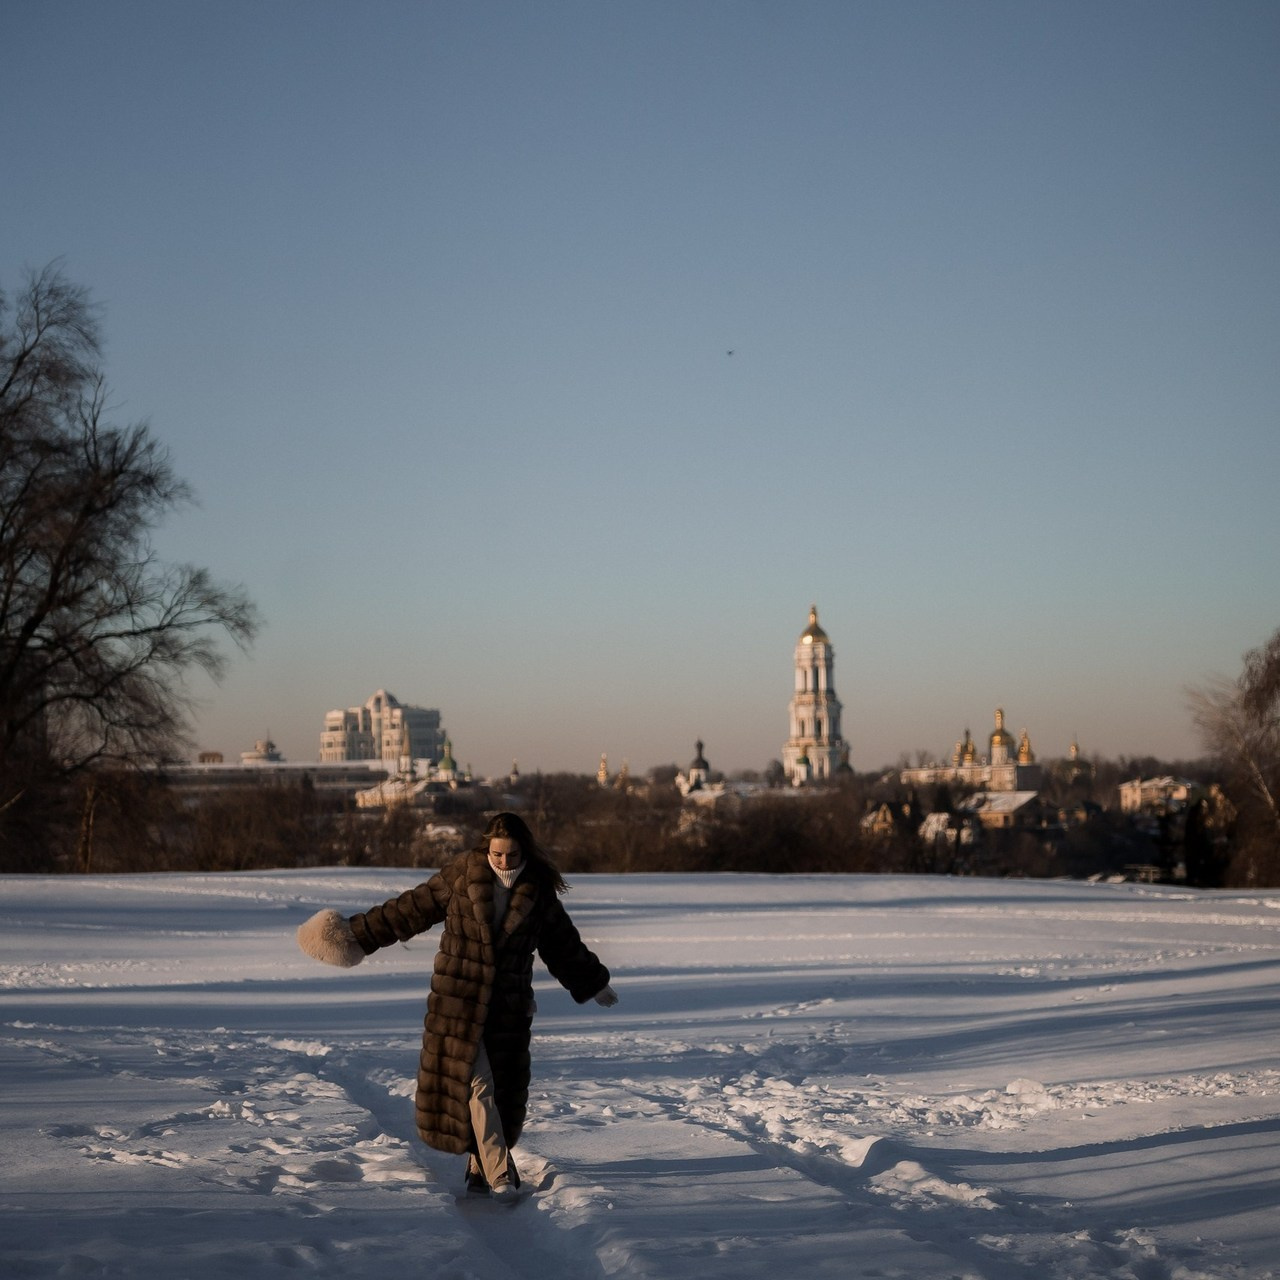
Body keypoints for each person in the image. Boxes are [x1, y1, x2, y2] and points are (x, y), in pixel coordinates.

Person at [296, 811, 617, 1201]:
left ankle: (478, 1164)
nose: (502, 863)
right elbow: (410, 910)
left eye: (511, 856)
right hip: (457, 1005)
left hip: (508, 1011)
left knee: (499, 1091)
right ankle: (501, 1174)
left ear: (524, 852)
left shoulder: (537, 894)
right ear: (487, 848)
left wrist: (593, 983)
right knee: (478, 1084)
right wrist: (353, 935)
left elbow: (562, 945)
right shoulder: (462, 876)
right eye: (496, 855)